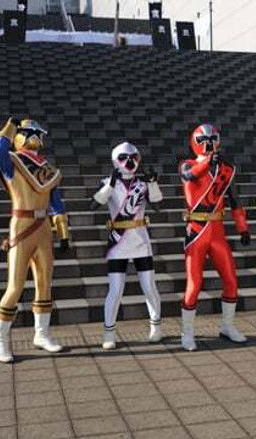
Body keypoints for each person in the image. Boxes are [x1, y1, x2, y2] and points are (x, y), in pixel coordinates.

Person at [0, 118, 70, 363]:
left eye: (37, 132)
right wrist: (10, 126)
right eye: (28, 132)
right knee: (15, 286)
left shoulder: (48, 168)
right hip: (22, 224)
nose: (34, 135)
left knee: (44, 283)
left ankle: (42, 334)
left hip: (43, 227)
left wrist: (63, 233)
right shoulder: (12, 161)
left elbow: (56, 202)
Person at [178, 123, 251, 351]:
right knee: (194, 284)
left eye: (212, 139)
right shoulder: (187, 164)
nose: (208, 144)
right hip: (196, 230)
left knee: (231, 279)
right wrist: (208, 163)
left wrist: (243, 228)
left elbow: (235, 201)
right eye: (203, 140)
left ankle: (227, 326)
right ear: (195, 142)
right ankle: (187, 333)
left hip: (217, 230)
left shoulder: (226, 169)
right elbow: (189, 177)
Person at [91, 141, 164, 349]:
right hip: (118, 243)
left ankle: (156, 327)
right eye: (123, 158)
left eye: (133, 157)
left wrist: (152, 183)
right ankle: (109, 333)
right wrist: (110, 185)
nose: (129, 162)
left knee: (149, 286)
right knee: (115, 290)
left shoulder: (142, 184)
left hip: (140, 240)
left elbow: (158, 206)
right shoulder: (108, 182)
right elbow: (94, 204)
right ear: (116, 160)